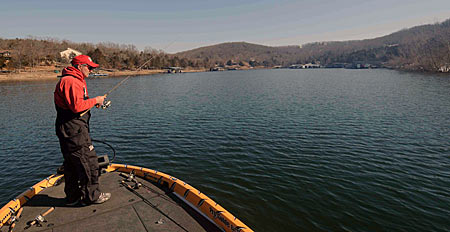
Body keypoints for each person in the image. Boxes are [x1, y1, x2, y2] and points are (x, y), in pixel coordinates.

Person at [54, 54, 111, 206]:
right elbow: (77, 107)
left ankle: (72, 198)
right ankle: (92, 196)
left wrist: (92, 103)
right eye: (90, 67)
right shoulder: (72, 81)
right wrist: (96, 100)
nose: (91, 70)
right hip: (74, 131)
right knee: (89, 162)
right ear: (80, 67)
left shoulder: (72, 80)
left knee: (72, 164)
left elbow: (77, 104)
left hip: (68, 129)